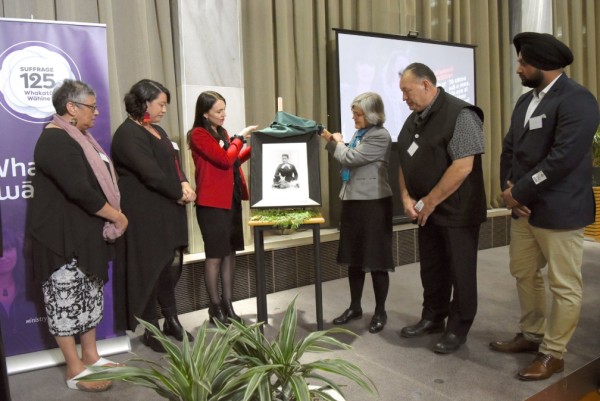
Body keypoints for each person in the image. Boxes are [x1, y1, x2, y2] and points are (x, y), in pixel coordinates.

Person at [490, 32, 600, 381]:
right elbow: (509, 148)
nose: (518, 68)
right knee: (524, 273)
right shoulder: (526, 101)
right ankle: (532, 334)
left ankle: (554, 353)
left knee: (564, 285)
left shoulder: (578, 100)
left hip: (560, 211)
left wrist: (519, 192)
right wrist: (508, 186)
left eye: (523, 62)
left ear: (543, 65)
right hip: (525, 209)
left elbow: (562, 159)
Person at [28, 79, 128, 392]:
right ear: (71, 108)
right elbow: (79, 190)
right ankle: (74, 368)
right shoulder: (55, 140)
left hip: (86, 236)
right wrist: (117, 216)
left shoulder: (81, 139)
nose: (97, 113)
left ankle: (92, 356)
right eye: (91, 106)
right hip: (61, 238)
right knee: (65, 305)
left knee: (89, 300)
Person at [396, 63, 486, 354]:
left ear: (426, 85)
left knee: (461, 272)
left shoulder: (462, 115)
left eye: (407, 91)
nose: (404, 98)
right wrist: (406, 197)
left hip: (457, 212)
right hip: (425, 211)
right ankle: (433, 317)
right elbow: (403, 160)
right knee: (432, 269)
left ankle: (458, 329)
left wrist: (429, 202)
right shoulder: (413, 119)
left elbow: (463, 167)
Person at [111, 79, 195, 352]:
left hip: (167, 209)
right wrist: (177, 191)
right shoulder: (126, 134)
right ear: (145, 102)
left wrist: (183, 181)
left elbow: (172, 162)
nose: (164, 109)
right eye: (161, 104)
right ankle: (151, 328)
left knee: (166, 269)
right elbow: (149, 172)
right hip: (144, 214)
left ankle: (171, 319)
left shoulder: (156, 129)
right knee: (149, 268)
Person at [321, 92, 394, 334]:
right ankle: (355, 307)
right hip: (353, 201)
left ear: (372, 114)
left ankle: (380, 311)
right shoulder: (361, 134)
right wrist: (334, 140)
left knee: (376, 260)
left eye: (358, 114)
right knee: (354, 258)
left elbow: (351, 158)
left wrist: (337, 142)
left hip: (373, 204)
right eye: (354, 113)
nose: (354, 118)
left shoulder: (381, 136)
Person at [187, 91, 256, 325]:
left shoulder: (222, 133)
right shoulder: (198, 134)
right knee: (215, 256)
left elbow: (233, 159)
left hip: (231, 199)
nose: (224, 115)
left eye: (224, 109)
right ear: (205, 113)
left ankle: (228, 304)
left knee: (230, 254)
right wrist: (240, 137)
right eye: (219, 111)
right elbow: (224, 159)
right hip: (212, 204)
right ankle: (214, 307)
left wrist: (254, 147)